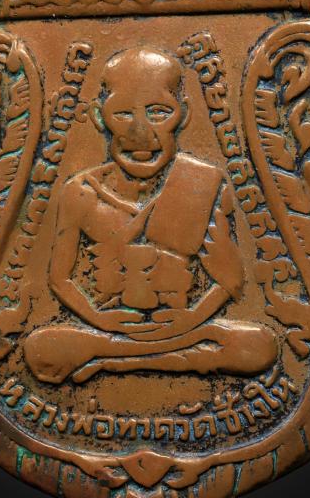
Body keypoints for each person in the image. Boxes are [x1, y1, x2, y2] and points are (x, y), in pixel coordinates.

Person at [24, 47, 277, 384]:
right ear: (99, 116)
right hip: (110, 329)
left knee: (259, 346)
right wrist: (101, 320)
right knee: (41, 348)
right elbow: (59, 279)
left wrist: (191, 320)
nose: (140, 133)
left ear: (183, 115)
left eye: (159, 112)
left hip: (184, 328)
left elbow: (229, 280)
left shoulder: (200, 183)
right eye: (122, 114)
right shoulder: (80, 192)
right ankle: (153, 357)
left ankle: (113, 363)